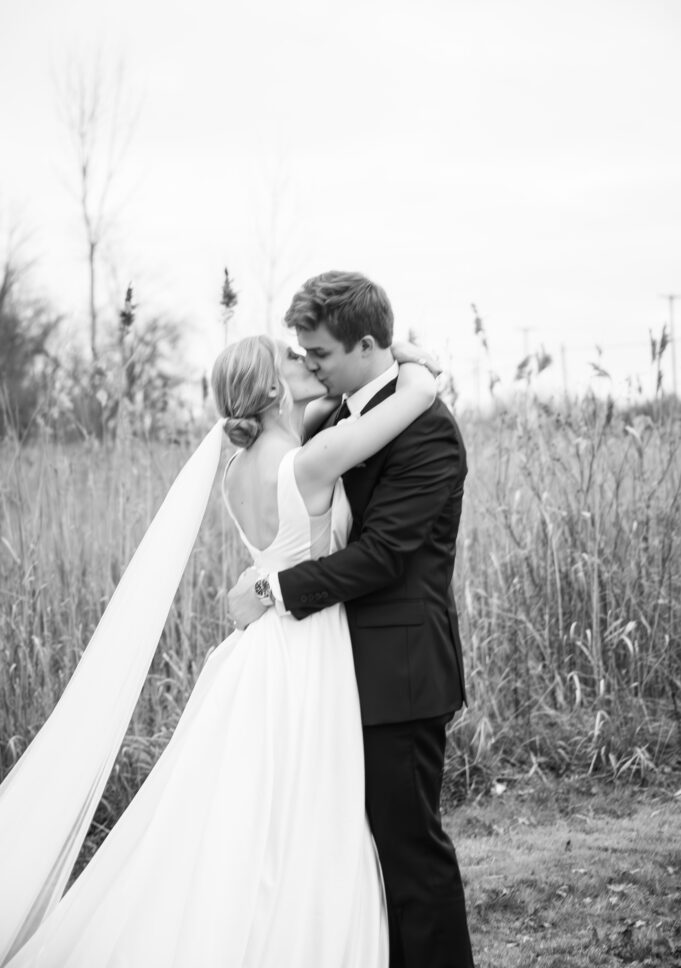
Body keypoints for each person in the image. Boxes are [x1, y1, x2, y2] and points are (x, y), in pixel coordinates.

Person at [2, 332, 437, 967]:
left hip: (259, 646)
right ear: (268, 387)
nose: (307, 361)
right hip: (307, 648)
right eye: (290, 359)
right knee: (306, 807)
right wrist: (405, 358)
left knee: (250, 812)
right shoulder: (309, 463)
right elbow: (416, 395)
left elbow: (310, 419)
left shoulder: (238, 466)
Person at [228, 270, 475, 968]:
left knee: (405, 850)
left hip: (396, 674)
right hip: (329, 672)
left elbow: (382, 559)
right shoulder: (333, 421)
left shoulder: (425, 430)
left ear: (366, 344)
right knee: (347, 853)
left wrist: (273, 590)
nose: (309, 365)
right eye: (300, 355)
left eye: (321, 354)